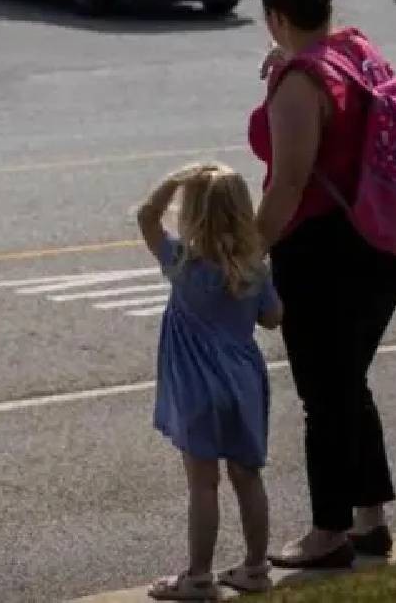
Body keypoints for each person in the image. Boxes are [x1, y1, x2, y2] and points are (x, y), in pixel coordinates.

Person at [249, 0, 396, 569]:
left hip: (326, 259)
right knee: (349, 384)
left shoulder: (299, 84)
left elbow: (286, 187)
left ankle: (328, 532)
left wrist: (246, 254)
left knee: (324, 395)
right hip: (385, 249)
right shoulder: (355, 49)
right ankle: (371, 520)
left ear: (274, 15)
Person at [137, 163, 284, 601]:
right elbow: (274, 319)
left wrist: (175, 180)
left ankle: (199, 576)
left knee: (203, 484)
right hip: (242, 382)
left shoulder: (182, 263)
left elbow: (146, 217)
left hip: (197, 388)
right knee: (248, 477)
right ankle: (256, 567)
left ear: (193, 213)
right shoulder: (253, 268)